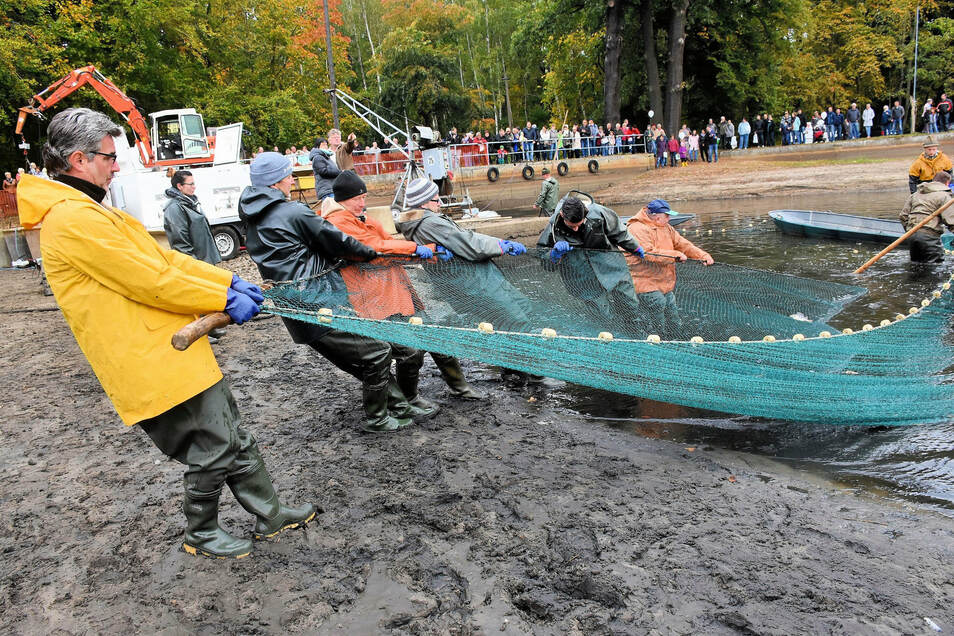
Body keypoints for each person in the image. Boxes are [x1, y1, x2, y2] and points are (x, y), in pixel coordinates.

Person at [17, 108, 314, 559]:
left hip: (174, 347)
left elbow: (165, 261)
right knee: (212, 444)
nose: (116, 165)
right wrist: (222, 299)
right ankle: (202, 532)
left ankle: (269, 512)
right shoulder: (72, 220)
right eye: (109, 156)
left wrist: (225, 282)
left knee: (231, 432)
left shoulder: (91, 210)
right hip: (149, 356)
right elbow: (150, 282)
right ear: (79, 160)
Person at [238, 153, 439, 432]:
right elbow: (341, 243)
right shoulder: (292, 212)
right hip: (318, 303)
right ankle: (377, 418)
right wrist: (370, 254)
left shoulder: (253, 218)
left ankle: (400, 405)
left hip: (296, 310)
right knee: (376, 352)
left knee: (365, 358)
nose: (292, 179)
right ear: (275, 181)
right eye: (288, 175)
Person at [321, 171, 483, 400]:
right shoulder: (337, 223)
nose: (362, 203)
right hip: (374, 300)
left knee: (436, 334)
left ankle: (460, 387)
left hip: (397, 290)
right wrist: (415, 249)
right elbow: (374, 249)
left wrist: (429, 252)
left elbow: (390, 244)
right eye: (358, 198)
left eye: (365, 197)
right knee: (410, 351)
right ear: (342, 199)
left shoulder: (362, 219)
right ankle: (409, 398)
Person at [537, 195, 646, 330]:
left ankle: (635, 330)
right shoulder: (553, 226)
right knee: (602, 315)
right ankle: (610, 338)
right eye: (571, 226)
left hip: (611, 266)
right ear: (561, 215)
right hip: (580, 275)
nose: (575, 229)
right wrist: (554, 254)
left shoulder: (600, 213)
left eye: (579, 224)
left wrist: (635, 247)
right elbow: (542, 255)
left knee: (629, 304)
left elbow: (621, 233)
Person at [625, 199, 713, 339]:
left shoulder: (666, 227)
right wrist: (675, 255)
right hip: (642, 281)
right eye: (667, 215)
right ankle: (659, 339)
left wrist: (702, 255)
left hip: (663, 282)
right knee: (657, 305)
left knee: (672, 311)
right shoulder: (637, 228)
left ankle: (676, 338)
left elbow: (682, 244)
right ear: (656, 216)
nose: (669, 218)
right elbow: (647, 253)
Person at [899, 172, 954, 263]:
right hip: (929, 236)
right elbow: (951, 220)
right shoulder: (944, 196)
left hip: (911, 235)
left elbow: (903, 216)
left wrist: (910, 231)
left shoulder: (915, 194)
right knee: (935, 266)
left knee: (916, 265)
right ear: (947, 183)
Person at [309, 137, 340, 201]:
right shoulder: (318, 157)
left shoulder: (326, 156)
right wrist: (338, 172)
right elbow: (323, 172)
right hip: (326, 189)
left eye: (326, 144)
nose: (325, 146)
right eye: (323, 144)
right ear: (317, 147)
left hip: (331, 188)